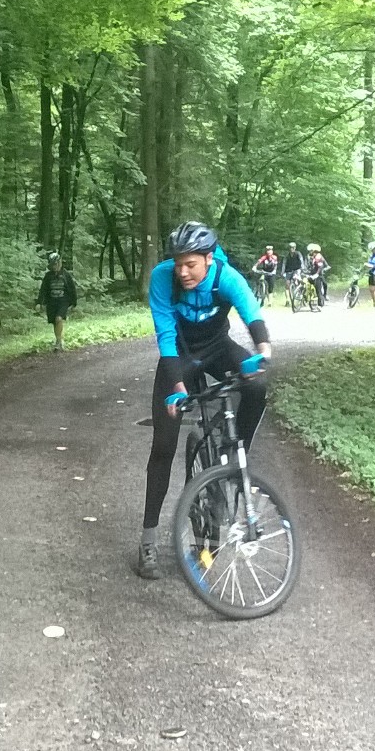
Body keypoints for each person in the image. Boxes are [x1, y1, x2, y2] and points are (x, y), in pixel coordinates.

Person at [136, 221, 272, 580]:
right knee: (163, 446)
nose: (183, 272)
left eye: (191, 264)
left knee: (258, 385)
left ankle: (234, 457)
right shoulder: (162, 278)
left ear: (209, 259)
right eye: (178, 263)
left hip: (217, 348)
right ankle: (148, 539)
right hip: (179, 355)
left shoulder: (225, 276)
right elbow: (166, 336)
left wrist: (263, 351)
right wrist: (178, 388)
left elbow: (251, 312)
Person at [36, 252, 78, 350]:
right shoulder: (48, 276)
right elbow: (43, 290)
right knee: (55, 322)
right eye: (52, 264)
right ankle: (59, 340)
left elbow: (72, 289)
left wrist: (74, 303)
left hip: (63, 301)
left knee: (59, 319)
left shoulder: (66, 275)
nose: (55, 266)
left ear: (60, 263)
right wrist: (39, 302)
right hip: (51, 301)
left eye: (56, 264)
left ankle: (58, 342)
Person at [306, 243, 330, 310]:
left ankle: (320, 305)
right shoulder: (310, 257)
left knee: (318, 289)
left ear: (314, 251)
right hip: (312, 273)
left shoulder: (318, 257)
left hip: (318, 275)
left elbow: (320, 267)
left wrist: (316, 274)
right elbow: (309, 266)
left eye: (311, 251)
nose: (310, 252)